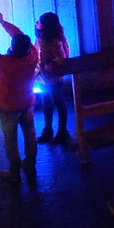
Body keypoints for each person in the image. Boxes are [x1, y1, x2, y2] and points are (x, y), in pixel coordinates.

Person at [0, 8, 40, 185]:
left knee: (10, 140)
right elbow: (20, 35)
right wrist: (2, 21)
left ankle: (14, 173)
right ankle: (30, 165)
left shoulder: (6, 63)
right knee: (30, 134)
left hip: (8, 106)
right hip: (27, 102)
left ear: (12, 48)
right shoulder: (33, 54)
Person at [34, 12, 72, 146]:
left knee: (58, 102)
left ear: (46, 26)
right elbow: (36, 51)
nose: (36, 23)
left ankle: (62, 131)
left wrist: (52, 64)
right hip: (42, 78)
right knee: (46, 104)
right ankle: (48, 130)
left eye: (39, 22)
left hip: (53, 79)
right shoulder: (40, 37)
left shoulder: (55, 41)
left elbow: (62, 59)